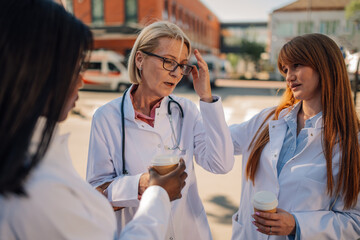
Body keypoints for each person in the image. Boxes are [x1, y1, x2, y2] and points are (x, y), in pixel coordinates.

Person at [0, 1, 187, 239]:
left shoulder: (29, 156)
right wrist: (157, 192)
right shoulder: (37, 189)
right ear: (36, 70)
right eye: (77, 66)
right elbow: (97, 193)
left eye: (181, 65)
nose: (81, 80)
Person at [86, 21, 234, 239]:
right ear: (140, 59)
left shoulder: (186, 110)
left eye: (182, 65)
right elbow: (96, 194)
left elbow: (221, 164)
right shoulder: (106, 117)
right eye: (168, 61)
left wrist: (207, 98)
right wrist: (143, 184)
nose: (176, 73)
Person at [230, 33, 360, 239]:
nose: (289, 76)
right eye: (285, 69)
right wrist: (207, 99)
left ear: (325, 66)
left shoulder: (352, 142)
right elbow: (218, 140)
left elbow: (355, 221)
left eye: (297, 65)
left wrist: (297, 225)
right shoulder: (268, 119)